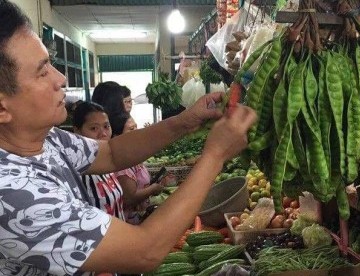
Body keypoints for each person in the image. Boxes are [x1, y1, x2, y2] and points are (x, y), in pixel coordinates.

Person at [0, 2, 256, 276]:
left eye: (51, 64)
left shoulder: (48, 140)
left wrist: (183, 122)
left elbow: (111, 152)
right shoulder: (12, 195)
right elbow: (144, 251)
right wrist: (214, 156)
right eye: (42, 72)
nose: (61, 78)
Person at [110, 112, 173, 224]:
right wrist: (152, 189)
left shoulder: (133, 157)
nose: (137, 132)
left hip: (141, 217)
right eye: (131, 129)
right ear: (117, 136)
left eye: (136, 127)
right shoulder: (121, 164)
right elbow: (130, 198)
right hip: (129, 224)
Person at [73, 102, 125, 220]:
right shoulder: (78, 172)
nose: (103, 134)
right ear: (77, 131)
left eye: (106, 126)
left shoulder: (107, 164)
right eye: (94, 128)